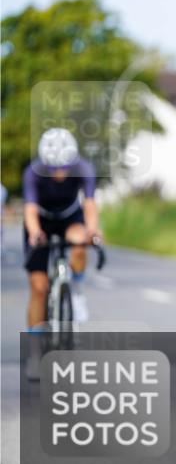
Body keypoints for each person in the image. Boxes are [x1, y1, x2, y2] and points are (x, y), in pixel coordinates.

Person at [22, 127, 102, 329]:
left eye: (64, 168)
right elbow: (30, 209)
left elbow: (90, 204)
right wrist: (34, 232)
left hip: (69, 216)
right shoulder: (33, 172)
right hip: (41, 219)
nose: (59, 174)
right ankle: (34, 347)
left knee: (79, 240)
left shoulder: (84, 168)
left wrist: (92, 230)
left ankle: (75, 288)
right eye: (53, 169)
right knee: (38, 287)